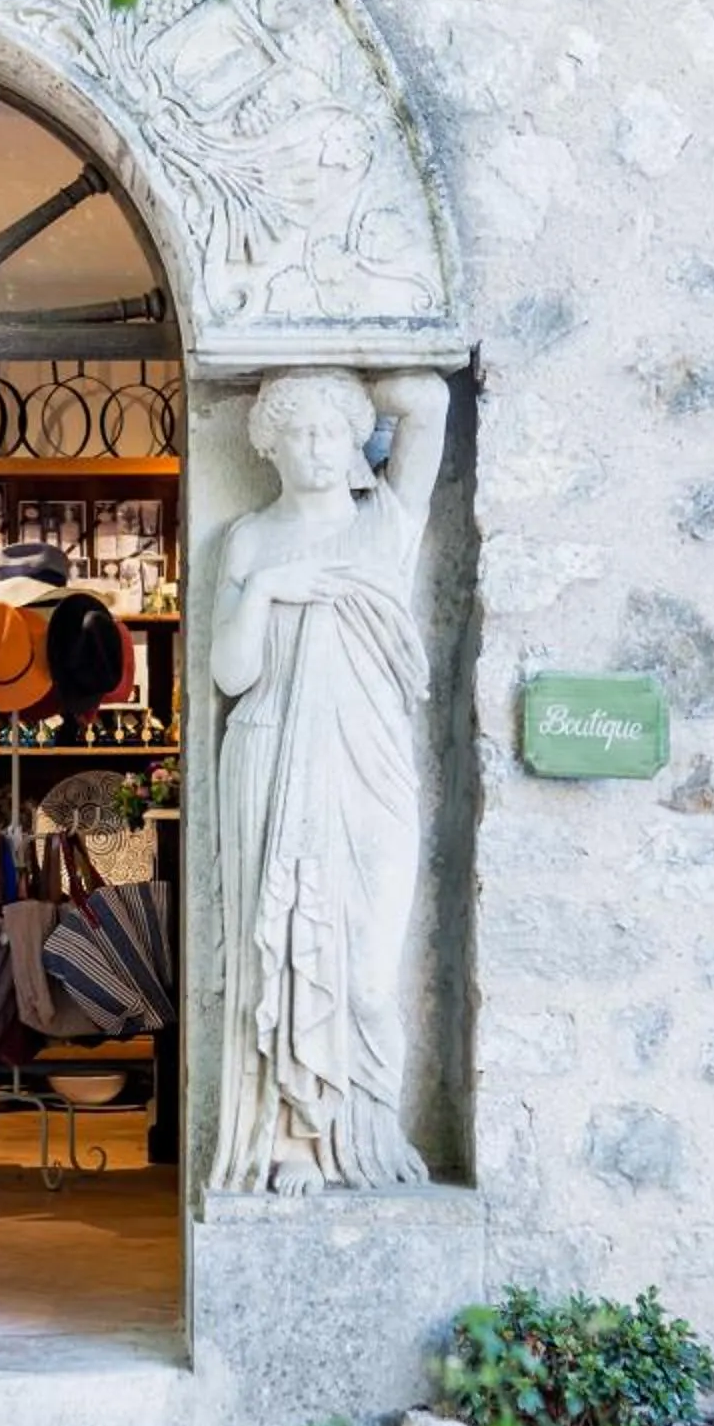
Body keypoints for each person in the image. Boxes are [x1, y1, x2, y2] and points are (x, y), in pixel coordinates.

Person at [210, 366, 450, 1196]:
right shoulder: (249, 540)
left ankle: (366, 1138)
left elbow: (429, 400)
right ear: (268, 444)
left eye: (332, 432)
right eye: (298, 432)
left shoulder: (386, 522)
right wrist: (268, 590)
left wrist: (348, 378)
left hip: (369, 762)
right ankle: (295, 1141)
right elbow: (231, 673)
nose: (315, 450)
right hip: (272, 754)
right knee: (281, 954)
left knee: (370, 978)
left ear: (355, 444)